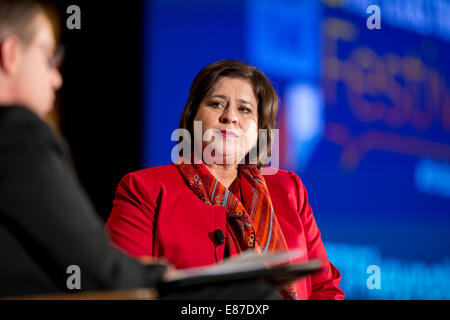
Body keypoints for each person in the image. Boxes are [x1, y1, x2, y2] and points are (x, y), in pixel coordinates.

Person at [0, 0, 277, 299]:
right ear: (11, 53)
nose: (56, 77)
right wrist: (168, 277)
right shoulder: (18, 133)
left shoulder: (289, 190)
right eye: (48, 58)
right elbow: (95, 265)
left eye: (246, 109)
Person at [106, 60, 345, 300]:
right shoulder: (145, 188)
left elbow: (324, 287)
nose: (230, 117)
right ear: (192, 117)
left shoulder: (289, 189)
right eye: (216, 104)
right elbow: (125, 288)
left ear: (261, 130)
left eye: (245, 109)